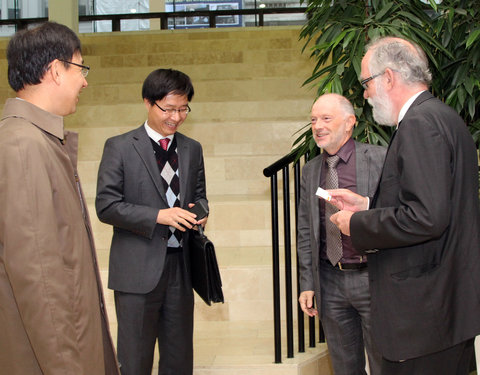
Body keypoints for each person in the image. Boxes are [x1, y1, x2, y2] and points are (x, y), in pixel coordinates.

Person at [329, 36, 480, 374]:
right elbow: (435, 202)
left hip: (423, 315)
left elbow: (427, 217)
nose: (365, 94)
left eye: (366, 82)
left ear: (389, 78)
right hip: (441, 310)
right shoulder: (443, 117)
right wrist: (368, 204)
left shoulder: (418, 124)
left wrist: (357, 225)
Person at [0, 22, 120, 375]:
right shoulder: (23, 146)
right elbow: (39, 278)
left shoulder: (36, 140)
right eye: (80, 69)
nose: (85, 81)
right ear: (55, 71)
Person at [96, 68, 208, 375]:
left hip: (180, 268)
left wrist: (200, 212)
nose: (176, 117)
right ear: (148, 103)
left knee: (178, 358)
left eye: (183, 109)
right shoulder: (119, 147)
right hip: (136, 271)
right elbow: (106, 206)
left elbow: (199, 195)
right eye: (168, 109)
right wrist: (159, 216)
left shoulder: (191, 149)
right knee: (135, 359)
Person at [297, 93, 385, 375]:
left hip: (373, 277)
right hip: (330, 282)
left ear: (350, 123)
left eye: (326, 118)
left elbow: (396, 214)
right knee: (345, 368)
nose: (317, 126)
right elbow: (305, 230)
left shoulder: (380, 159)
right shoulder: (310, 172)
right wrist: (307, 283)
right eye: (313, 120)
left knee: (386, 364)